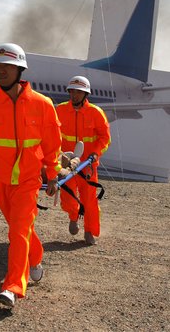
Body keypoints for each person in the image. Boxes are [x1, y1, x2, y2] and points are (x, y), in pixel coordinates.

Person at [0, 43, 61, 308]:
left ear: (20, 69)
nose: (0, 71)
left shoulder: (43, 104)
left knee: (18, 230)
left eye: (5, 66)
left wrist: (52, 175)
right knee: (20, 228)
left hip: (30, 179)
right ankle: (36, 256)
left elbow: (53, 144)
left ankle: (13, 286)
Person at [56, 76, 111, 246]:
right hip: (66, 164)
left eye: (79, 92)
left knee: (90, 200)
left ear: (86, 94)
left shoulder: (96, 112)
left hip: (88, 165)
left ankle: (89, 231)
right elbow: (52, 135)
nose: (75, 95)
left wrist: (95, 153)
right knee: (67, 197)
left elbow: (105, 138)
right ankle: (73, 216)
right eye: (72, 91)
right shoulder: (59, 110)